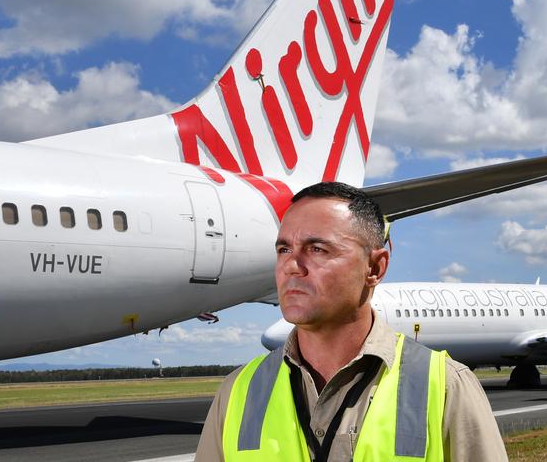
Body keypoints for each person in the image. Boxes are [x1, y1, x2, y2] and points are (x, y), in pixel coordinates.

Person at [195, 182, 508, 461]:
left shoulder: (445, 386)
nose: (292, 265)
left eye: (317, 249)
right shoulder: (238, 391)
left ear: (374, 268)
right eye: (283, 249)